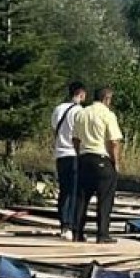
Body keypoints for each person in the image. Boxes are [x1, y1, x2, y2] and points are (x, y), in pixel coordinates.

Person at [71, 86, 123, 244]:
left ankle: (77, 232)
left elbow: (75, 139)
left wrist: (79, 153)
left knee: (81, 198)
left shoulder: (81, 113)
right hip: (101, 157)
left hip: (84, 157)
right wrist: (116, 162)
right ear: (106, 99)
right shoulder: (108, 115)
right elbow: (114, 141)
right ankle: (102, 234)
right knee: (105, 198)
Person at [51, 82, 86, 240]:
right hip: (73, 154)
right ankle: (70, 225)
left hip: (60, 153)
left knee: (63, 191)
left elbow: (54, 128)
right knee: (74, 191)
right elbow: (80, 135)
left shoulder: (58, 109)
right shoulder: (80, 111)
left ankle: (63, 224)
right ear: (81, 93)